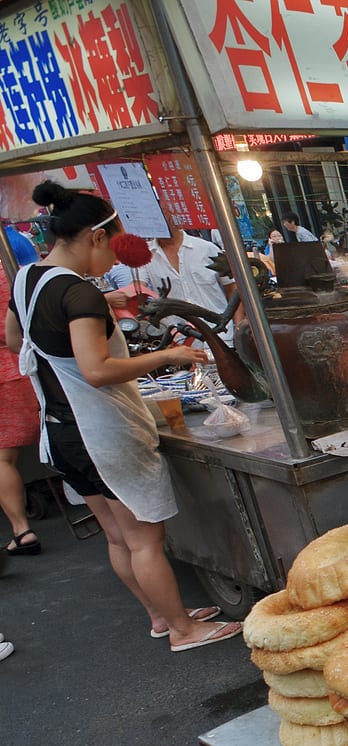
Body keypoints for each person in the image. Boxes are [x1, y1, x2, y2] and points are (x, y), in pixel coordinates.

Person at [5, 181, 241, 651]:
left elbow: (17, 341)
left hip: (61, 433)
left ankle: (161, 616)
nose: (114, 260)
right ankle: (184, 630)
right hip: (102, 433)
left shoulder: (28, 278)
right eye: (113, 245)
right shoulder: (80, 294)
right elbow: (97, 371)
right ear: (95, 237)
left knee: (116, 537)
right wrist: (165, 357)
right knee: (144, 542)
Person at [1, 240, 41, 556]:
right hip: (32, 365)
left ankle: (21, 529)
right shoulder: (10, 273)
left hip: (8, 371)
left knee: (3, 459)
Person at [146, 220, 235, 344]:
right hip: (178, 341)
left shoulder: (206, 248)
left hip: (221, 336)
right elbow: (138, 289)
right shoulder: (145, 256)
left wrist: (238, 325)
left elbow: (232, 289)